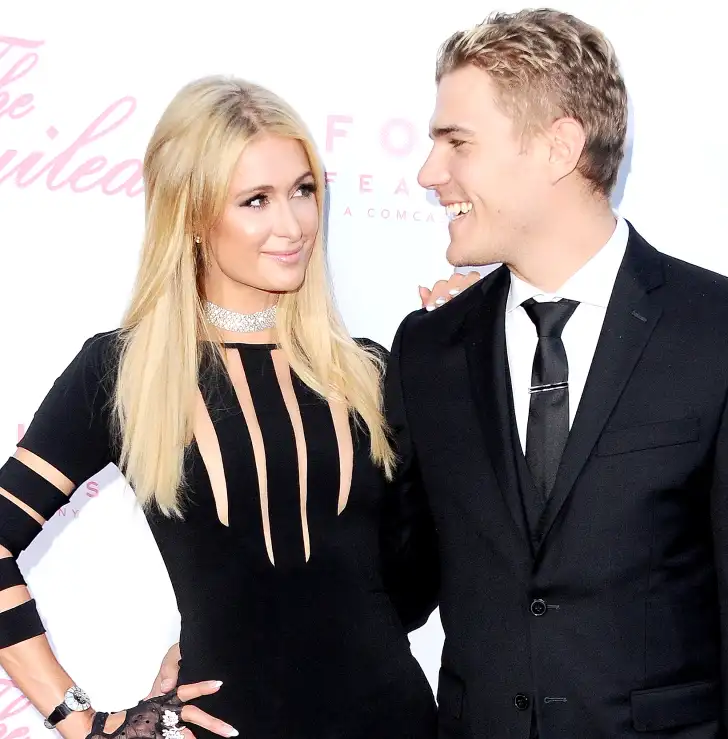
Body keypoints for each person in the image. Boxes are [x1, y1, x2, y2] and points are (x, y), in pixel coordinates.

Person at [143, 9, 728, 737]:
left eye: (456, 143)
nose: (429, 174)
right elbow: (393, 585)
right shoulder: (431, 351)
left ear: (558, 147)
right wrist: (233, 634)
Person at [0, 75, 472, 739]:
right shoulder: (126, 372)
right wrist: (81, 720)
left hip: (393, 720)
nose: (293, 224)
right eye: (255, 200)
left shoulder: (368, 371)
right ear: (192, 215)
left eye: (303, 191)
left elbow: (417, 583)